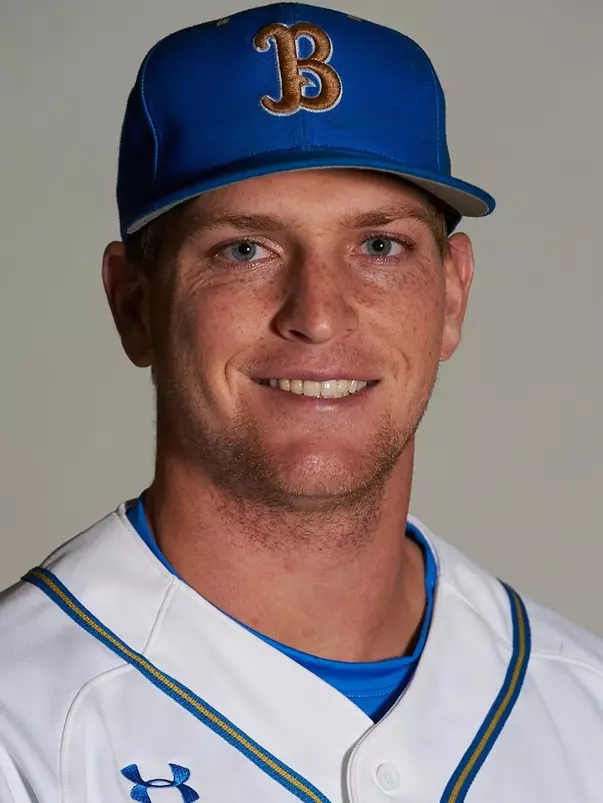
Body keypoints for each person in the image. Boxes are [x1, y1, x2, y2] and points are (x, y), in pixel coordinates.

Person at [1, 3, 602, 801]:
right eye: (243, 249)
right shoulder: (21, 721)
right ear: (134, 303)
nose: (317, 314)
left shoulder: (581, 703)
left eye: (379, 245)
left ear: (451, 294)